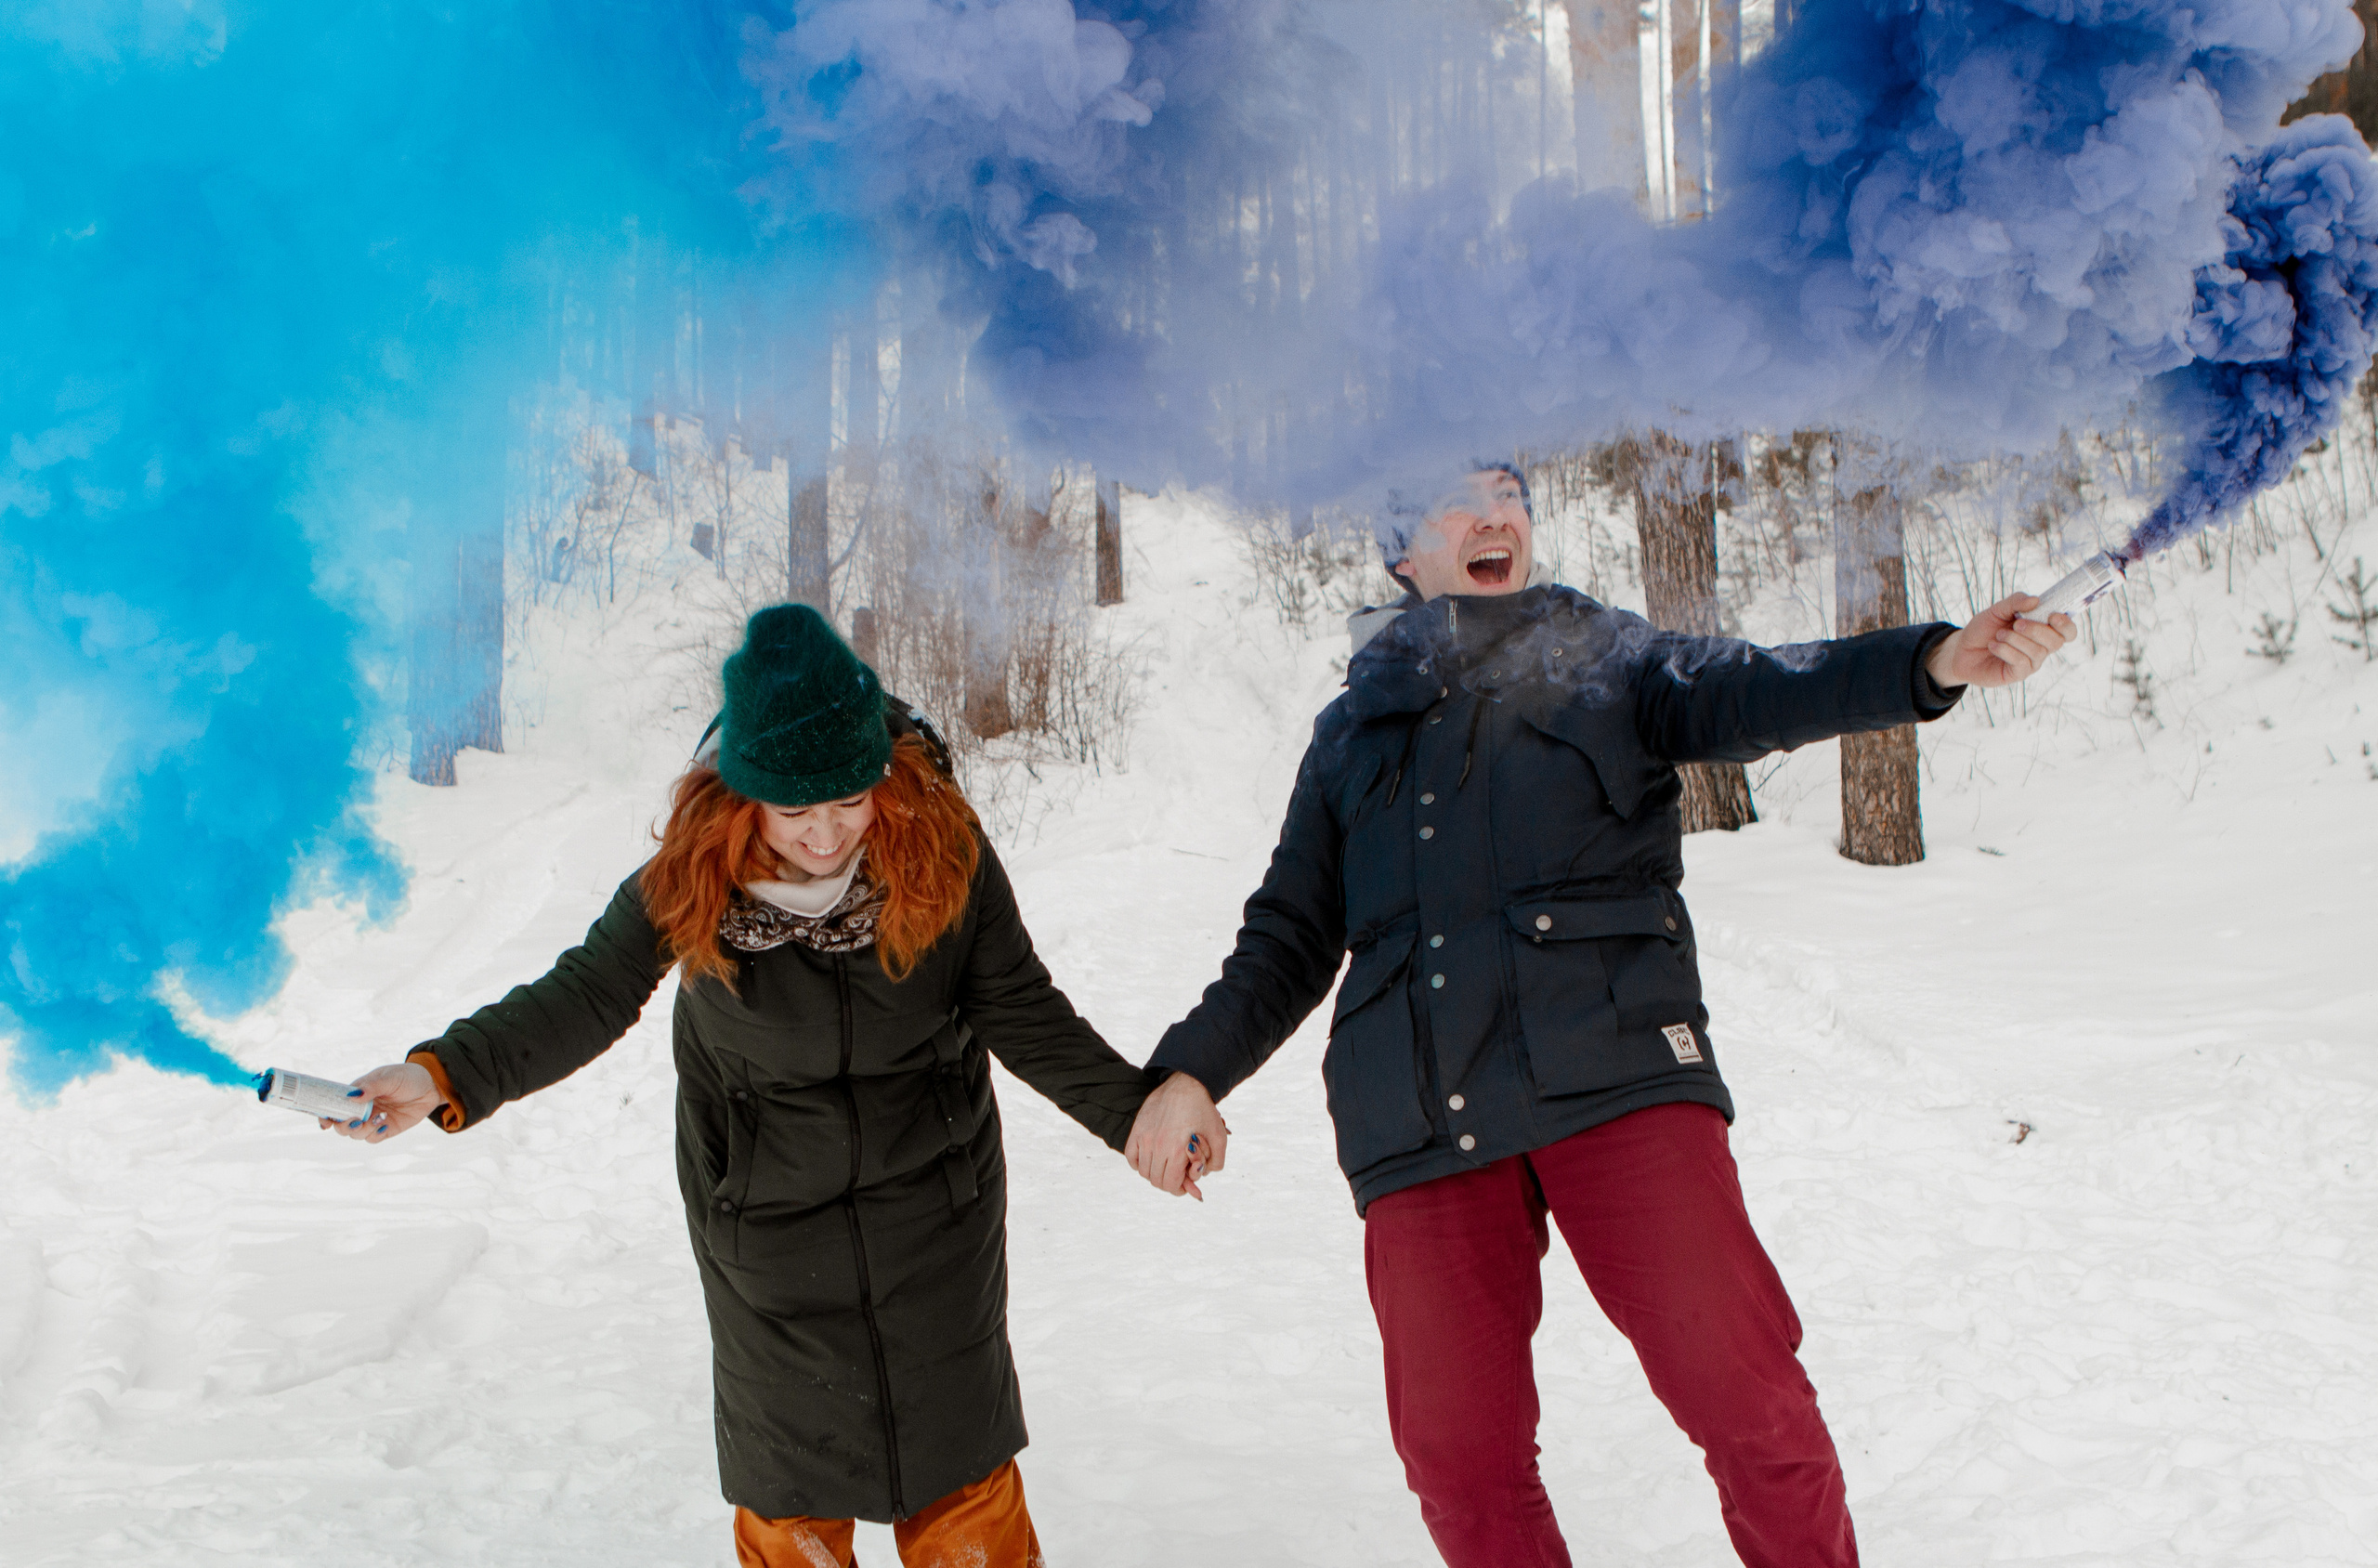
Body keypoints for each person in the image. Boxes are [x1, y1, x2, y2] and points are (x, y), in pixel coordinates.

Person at [1123, 463, 2076, 1568]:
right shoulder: (1350, 736)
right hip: (1422, 1124)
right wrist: (1190, 1070)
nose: (1494, 515)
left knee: (1745, 1392)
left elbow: (1764, 688)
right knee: (1458, 1461)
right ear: (1401, 551)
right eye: (1455, 498)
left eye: (1509, 491)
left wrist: (1931, 659)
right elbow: (1287, 934)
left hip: (1615, 1073)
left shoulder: (1609, 662)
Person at [329, 604, 1163, 1568]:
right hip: (766, 1224)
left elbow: (1021, 1007)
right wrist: (440, 1072)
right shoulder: (690, 880)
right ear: (745, 798)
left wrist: (1137, 1108)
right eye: (796, 809)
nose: (826, 832)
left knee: (959, 1474)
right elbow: (585, 993)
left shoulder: (943, 856)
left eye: (849, 800)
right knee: (792, 1494)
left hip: (935, 1209)